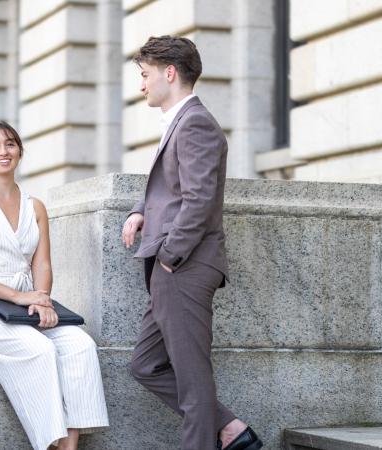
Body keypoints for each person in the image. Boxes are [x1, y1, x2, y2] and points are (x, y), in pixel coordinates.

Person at [121, 35, 262, 450]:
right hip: (173, 267)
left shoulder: (196, 123)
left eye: (145, 75)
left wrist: (170, 255)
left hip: (183, 266)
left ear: (169, 72)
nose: (142, 85)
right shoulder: (180, 122)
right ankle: (232, 430)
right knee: (145, 365)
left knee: (192, 378)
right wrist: (139, 209)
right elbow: (172, 187)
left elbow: (199, 200)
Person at [0, 121, 110, 450]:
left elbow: (42, 263)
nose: (3, 151)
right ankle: (50, 441)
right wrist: (19, 296)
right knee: (40, 349)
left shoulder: (35, 206)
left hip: (27, 306)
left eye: (10, 144)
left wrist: (42, 301)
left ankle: (69, 446)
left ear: (20, 151)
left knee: (80, 345)